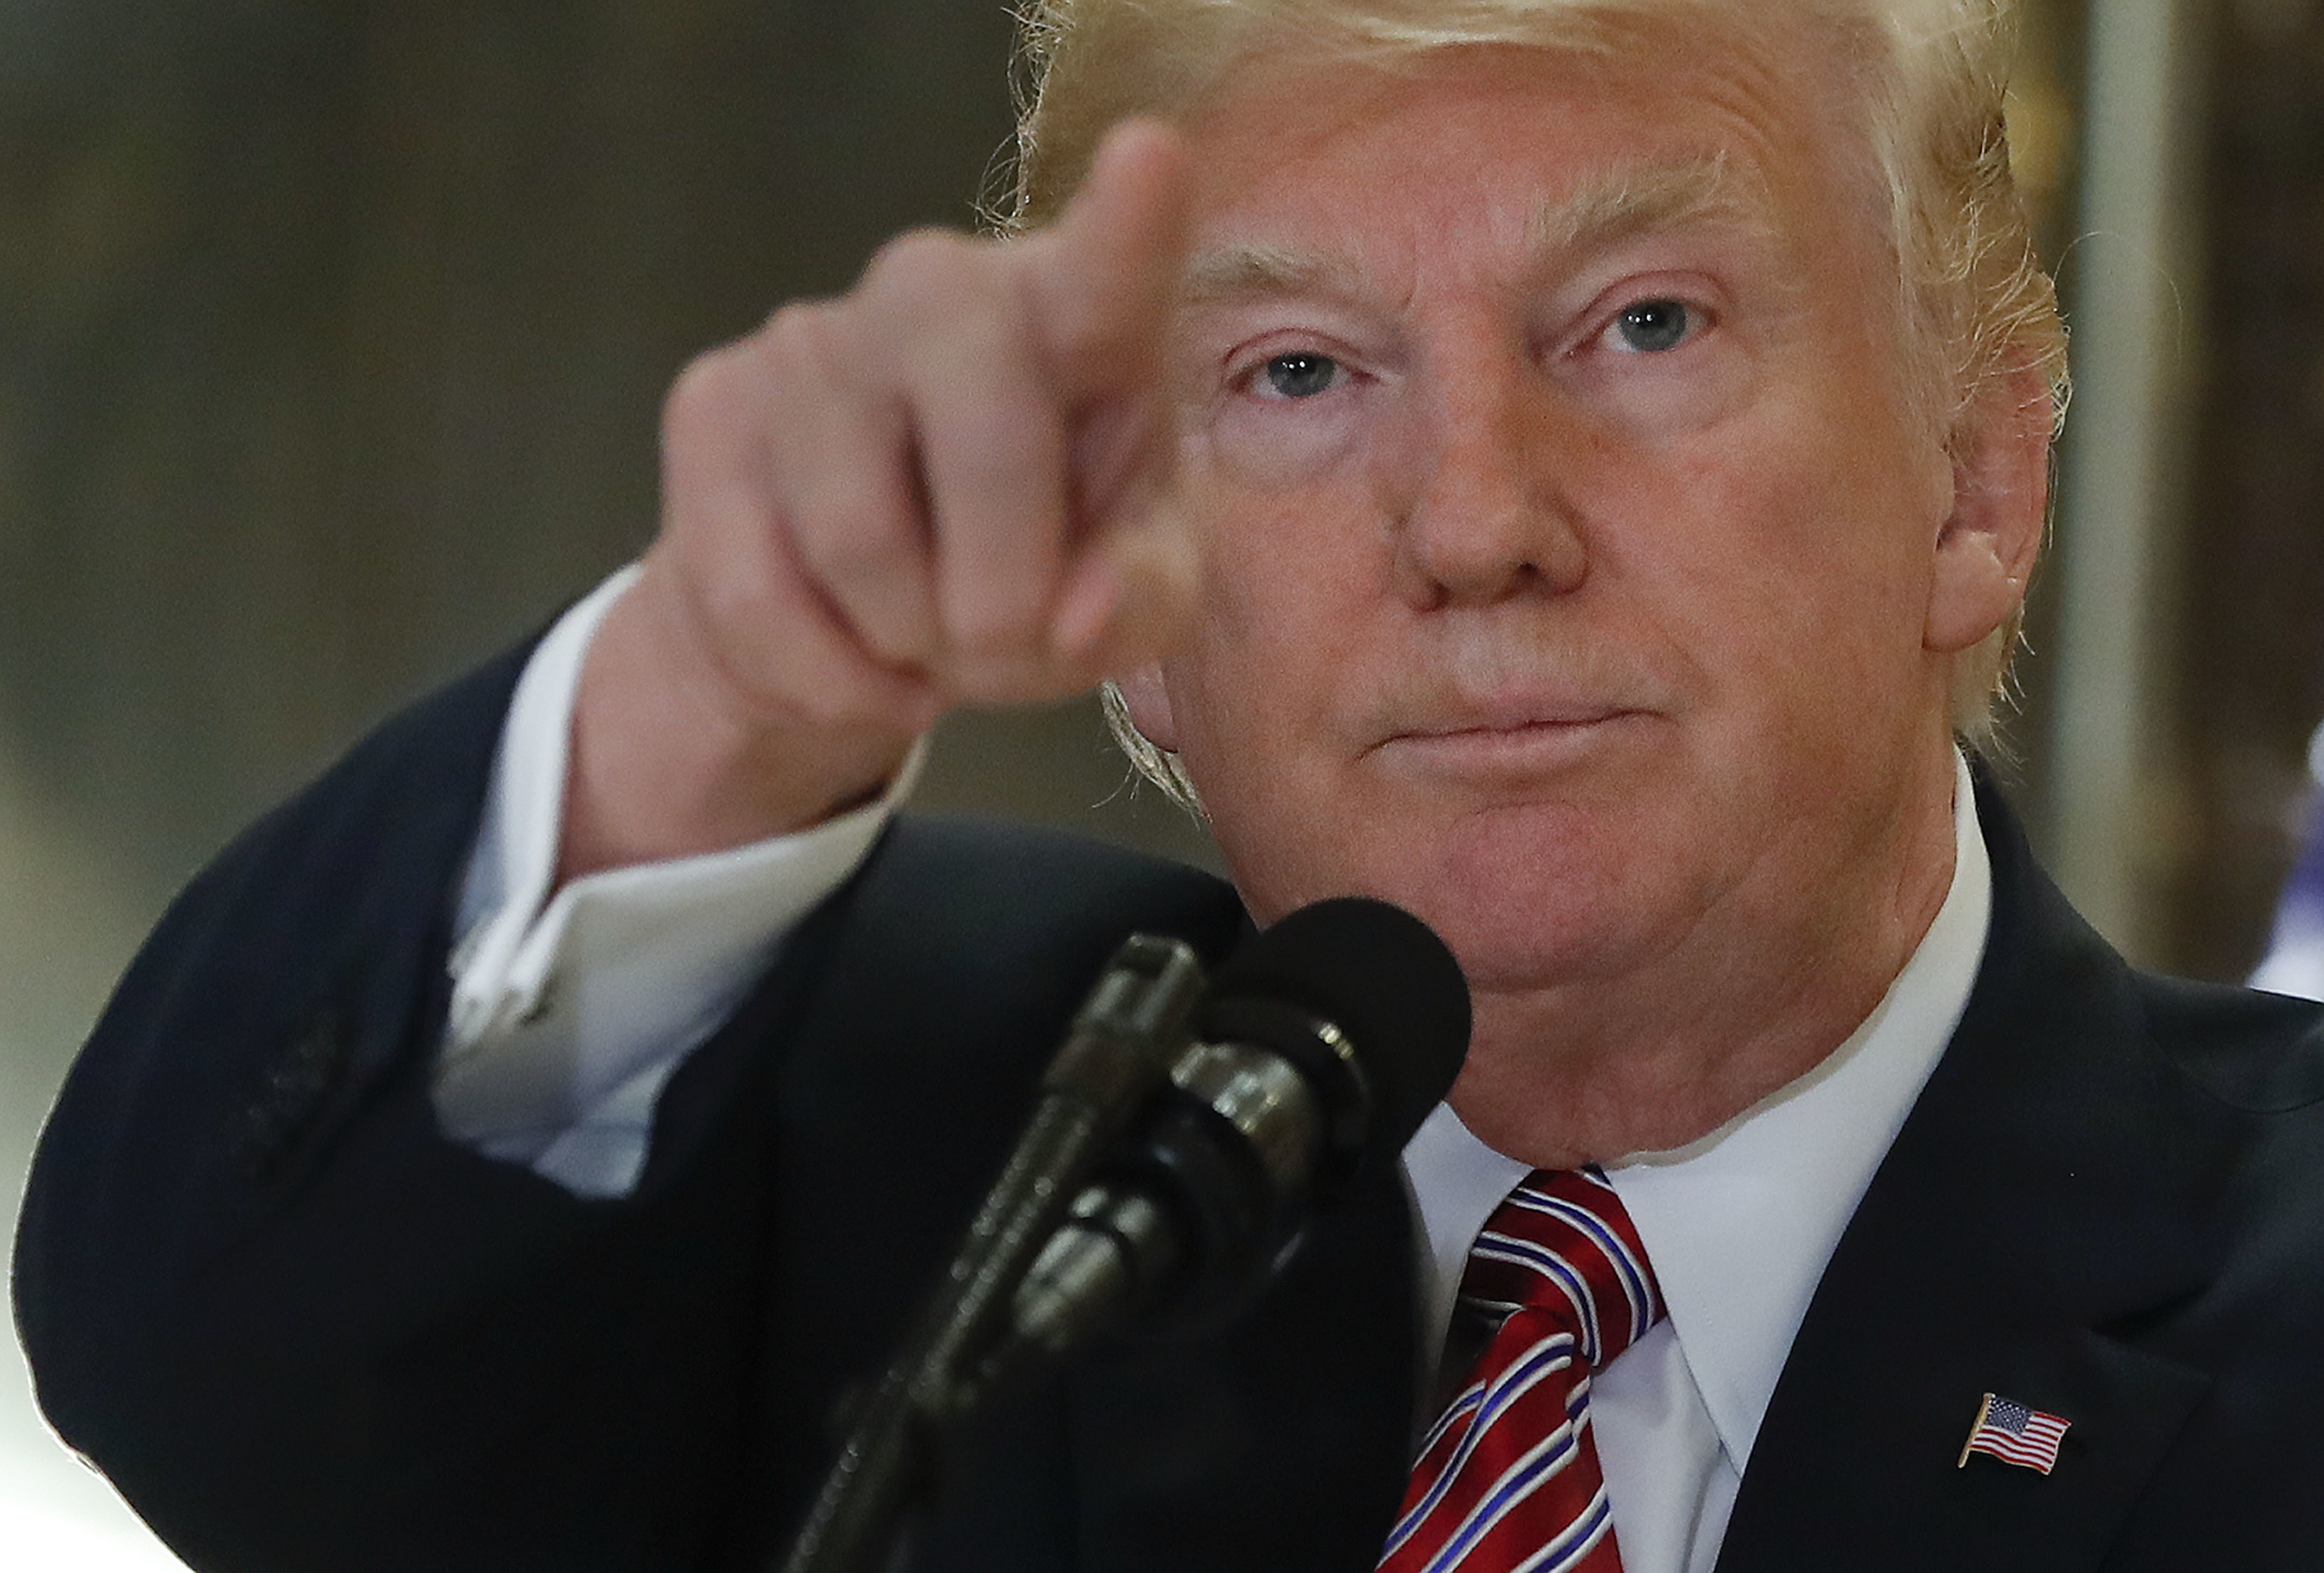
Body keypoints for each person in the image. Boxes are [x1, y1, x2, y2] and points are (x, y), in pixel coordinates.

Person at [17, 1, 2324, 1570]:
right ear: (1128, 583)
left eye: (1645, 325)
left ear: (1977, 475)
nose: (1472, 518)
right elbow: (223, 1365)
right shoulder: (876, 1131)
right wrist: (707, 689)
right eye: (1299, 369)